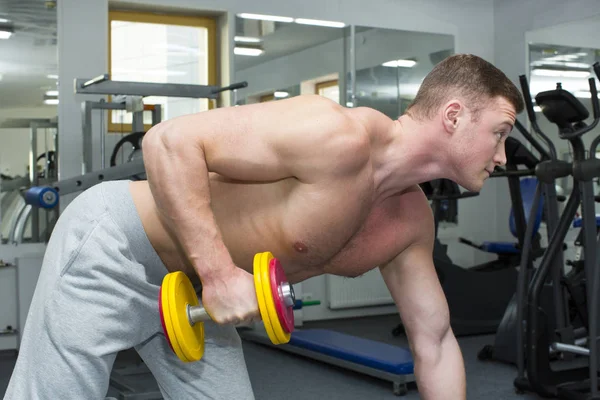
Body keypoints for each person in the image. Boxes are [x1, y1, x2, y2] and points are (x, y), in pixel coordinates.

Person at [4, 53, 524, 400]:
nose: (502, 156)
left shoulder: (409, 220)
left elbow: (433, 341)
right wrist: (217, 273)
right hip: (117, 246)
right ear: (453, 116)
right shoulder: (335, 135)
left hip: (193, 297)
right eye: (499, 133)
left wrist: (210, 279)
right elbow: (168, 142)